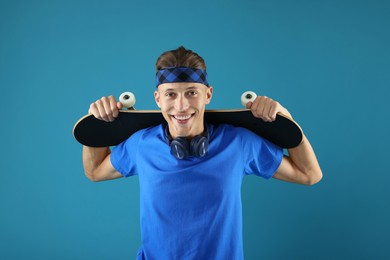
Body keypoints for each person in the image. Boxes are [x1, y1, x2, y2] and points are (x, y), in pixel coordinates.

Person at [82, 46, 322, 260]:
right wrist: (98, 125)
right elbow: (94, 171)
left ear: (208, 94)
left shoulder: (238, 143)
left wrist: (286, 120)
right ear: (158, 99)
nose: (181, 106)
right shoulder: (142, 144)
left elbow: (309, 174)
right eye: (170, 94)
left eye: (191, 92)